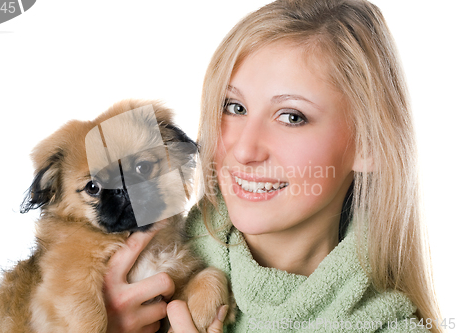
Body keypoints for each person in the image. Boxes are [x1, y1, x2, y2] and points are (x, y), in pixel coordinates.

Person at [104, 0, 442, 332]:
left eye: (291, 117)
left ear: (369, 144)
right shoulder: (122, 280)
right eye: (234, 107)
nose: (244, 150)